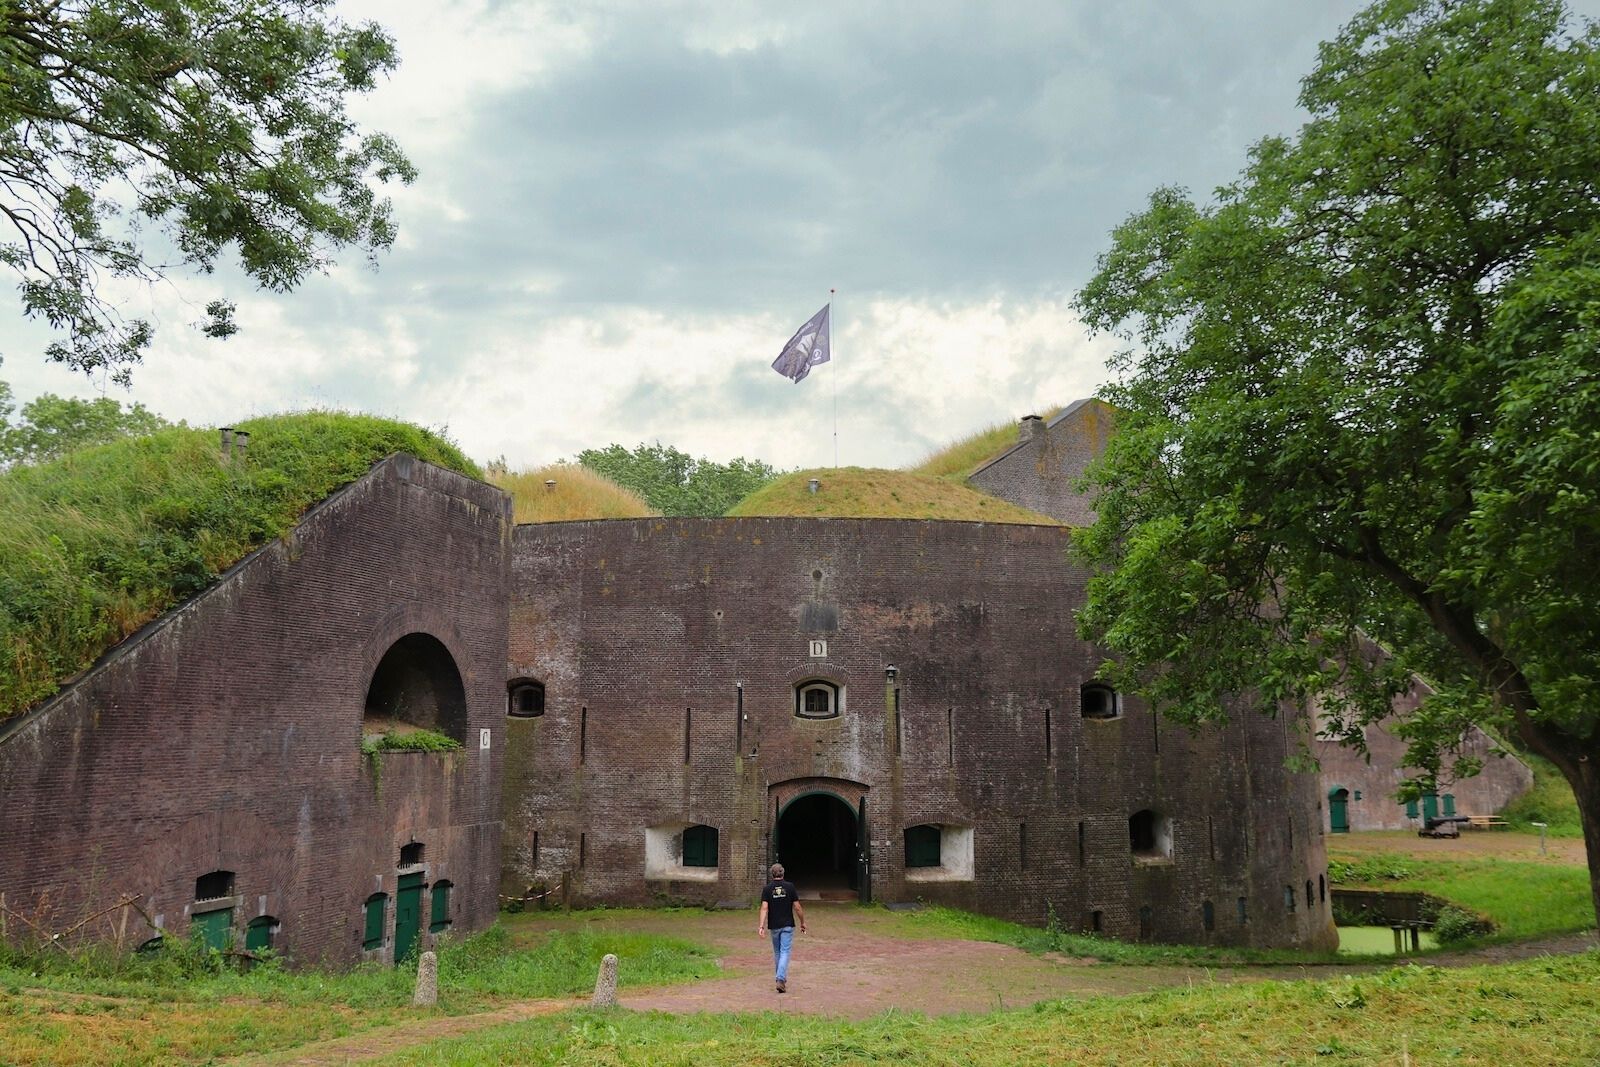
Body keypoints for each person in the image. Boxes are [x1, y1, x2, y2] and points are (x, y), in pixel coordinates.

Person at [756, 862, 806, 992]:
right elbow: (797, 907)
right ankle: (780, 978)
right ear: (783, 873)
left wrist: (761, 926)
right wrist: (802, 922)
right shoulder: (790, 887)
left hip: (774, 925)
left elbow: (764, 908)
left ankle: (780, 979)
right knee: (785, 952)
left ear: (772, 874)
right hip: (788, 924)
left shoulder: (767, 889)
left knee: (778, 952)